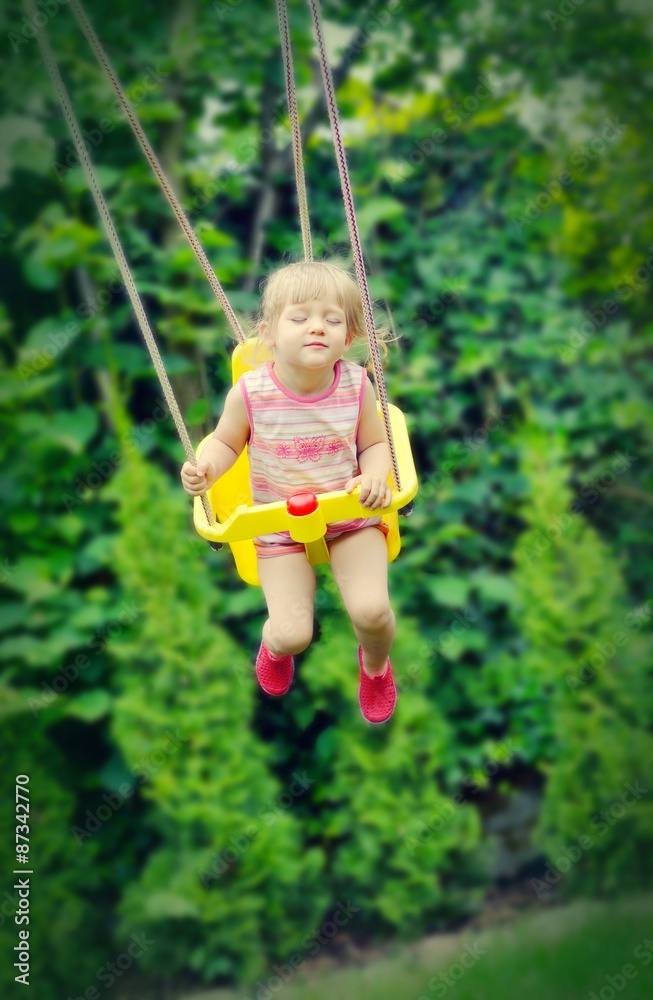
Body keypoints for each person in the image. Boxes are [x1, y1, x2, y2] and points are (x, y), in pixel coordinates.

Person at [180, 260, 398, 723]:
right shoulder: (250, 393)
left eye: (332, 319)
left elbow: (376, 444)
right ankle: (274, 646)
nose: (317, 327)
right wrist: (206, 471)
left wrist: (375, 476)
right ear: (269, 334)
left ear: (349, 335)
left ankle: (375, 667)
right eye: (300, 317)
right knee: (293, 632)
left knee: (373, 613)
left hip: (349, 517)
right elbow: (223, 442)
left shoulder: (357, 387)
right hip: (279, 527)